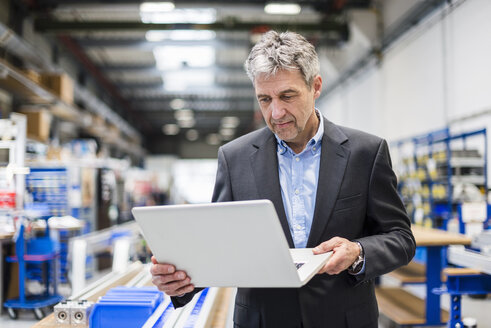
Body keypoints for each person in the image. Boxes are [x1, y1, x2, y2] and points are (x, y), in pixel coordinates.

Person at [150, 30, 416, 327]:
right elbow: (222, 248)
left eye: (287, 96)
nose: (276, 113)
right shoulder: (235, 157)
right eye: (265, 99)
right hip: (263, 319)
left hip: (342, 319)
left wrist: (358, 251)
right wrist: (182, 281)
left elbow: (401, 238)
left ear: (315, 86)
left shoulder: (365, 153)